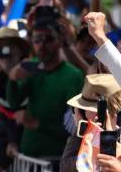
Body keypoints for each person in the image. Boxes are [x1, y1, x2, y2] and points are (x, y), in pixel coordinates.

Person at [6, 18, 84, 160]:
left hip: (55, 158)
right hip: (27, 155)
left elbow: (76, 126)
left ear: (60, 40)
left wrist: (38, 124)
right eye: (37, 40)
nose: (42, 45)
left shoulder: (73, 76)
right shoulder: (32, 67)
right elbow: (14, 103)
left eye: (48, 39)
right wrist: (12, 79)